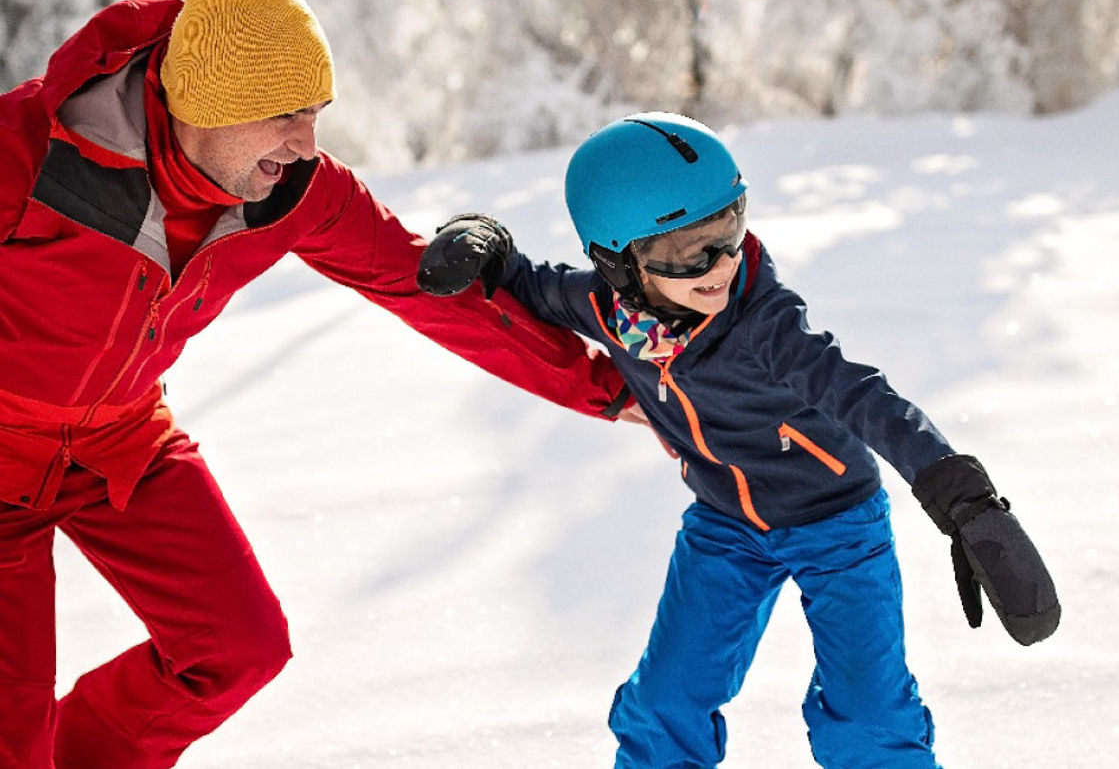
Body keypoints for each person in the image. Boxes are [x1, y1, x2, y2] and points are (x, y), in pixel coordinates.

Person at [0, 0, 633, 768]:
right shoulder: (29, 158)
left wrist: (609, 388)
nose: (306, 143)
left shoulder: (295, 192)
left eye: (315, 114)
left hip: (122, 442)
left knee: (237, 649)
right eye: (283, 117)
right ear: (205, 103)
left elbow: (425, 285)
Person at [417, 112, 1061, 768]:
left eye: (728, 229)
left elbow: (862, 395)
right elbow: (526, 283)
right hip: (725, 526)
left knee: (868, 719)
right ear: (618, 262)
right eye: (685, 251)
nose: (718, 264)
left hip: (838, 522)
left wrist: (962, 495)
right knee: (664, 705)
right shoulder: (607, 309)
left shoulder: (765, 322)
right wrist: (481, 238)